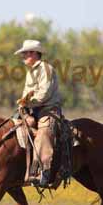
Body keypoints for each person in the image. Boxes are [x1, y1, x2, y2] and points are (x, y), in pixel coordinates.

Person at [14, 39, 62, 188]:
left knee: (43, 133)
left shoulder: (46, 69)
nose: (23, 56)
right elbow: (25, 94)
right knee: (14, 127)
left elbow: (44, 94)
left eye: (25, 53)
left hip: (48, 110)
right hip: (31, 110)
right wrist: (23, 107)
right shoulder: (30, 73)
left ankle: (44, 171)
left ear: (34, 53)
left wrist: (27, 102)